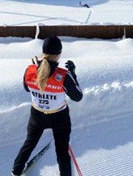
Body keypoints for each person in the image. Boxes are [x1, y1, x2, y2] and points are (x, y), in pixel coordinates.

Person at [12, 36, 83, 176]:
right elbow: (77, 96)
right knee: (62, 151)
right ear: (59, 54)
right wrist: (73, 74)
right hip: (59, 118)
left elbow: (27, 88)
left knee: (29, 144)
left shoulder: (30, 70)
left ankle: (16, 171)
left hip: (37, 115)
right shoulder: (63, 75)